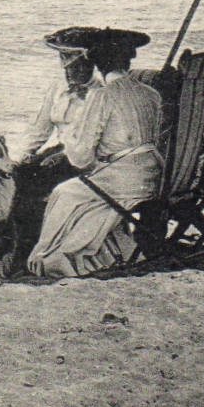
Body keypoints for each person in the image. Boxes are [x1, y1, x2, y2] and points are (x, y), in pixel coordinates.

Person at [27, 29, 164, 277]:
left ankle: (56, 258)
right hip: (154, 174)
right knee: (81, 193)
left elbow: (80, 158)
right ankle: (110, 247)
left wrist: (73, 151)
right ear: (128, 60)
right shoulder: (151, 94)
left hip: (123, 180)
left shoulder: (101, 96)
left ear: (98, 64)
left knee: (63, 193)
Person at [6, 27, 104, 267]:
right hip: (58, 151)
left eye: (80, 66)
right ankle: (7, 248)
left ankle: (28, 251)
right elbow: (41, 128)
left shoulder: (101, 93)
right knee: (15, 176)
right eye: (67, 65)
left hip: (83, 157)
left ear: (92, 64)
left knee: (35, 187)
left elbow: (92, 142)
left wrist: (61, 154)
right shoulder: (57, 86)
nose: (72, 72)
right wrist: (22, 155)